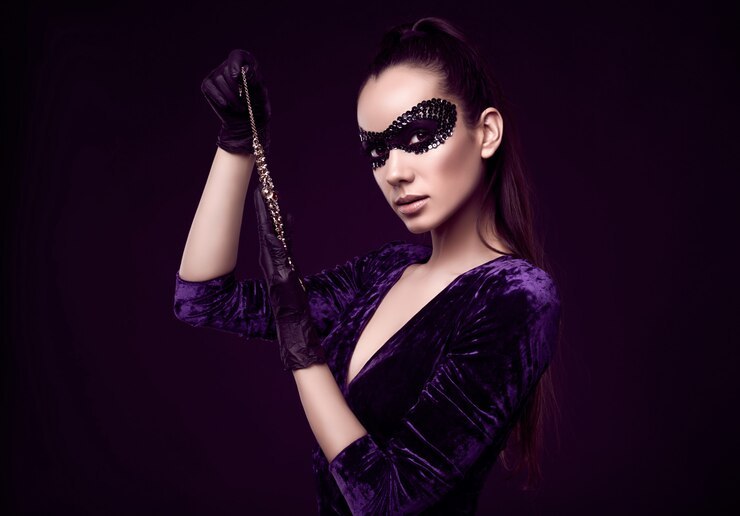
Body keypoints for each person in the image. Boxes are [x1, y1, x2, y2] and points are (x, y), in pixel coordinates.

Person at [174, 17, 563, 515]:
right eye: (377, 152)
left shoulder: (517, 297)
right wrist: (237, 143)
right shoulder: (384, 272)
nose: (395, 172)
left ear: (486, 133)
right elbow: (202, 299)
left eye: (419, 136)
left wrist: (301, 348)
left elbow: (387, 503)